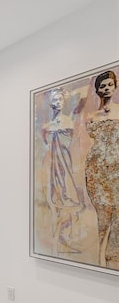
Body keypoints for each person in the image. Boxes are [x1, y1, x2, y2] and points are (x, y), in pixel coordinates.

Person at [40, 88, 84, 254]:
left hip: (66, 165)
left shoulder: (68, 121)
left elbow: (70, 145)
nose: (57, 102)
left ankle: (66, 238)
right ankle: (58, 240)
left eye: (60, 99)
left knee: (68, 199)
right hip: (52, 168)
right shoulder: (47, 126)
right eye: (54, 99)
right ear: (50, 103)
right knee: (54, 200)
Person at [84, 70, 119, 267]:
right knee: (103, 212)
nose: (106, 88)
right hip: (96, 168)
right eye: (102, 86)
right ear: (97, 89)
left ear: (115, 86)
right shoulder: (93, 115)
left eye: (109, 85)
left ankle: (111, 257)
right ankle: (100, 258)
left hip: (116, 168)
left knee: (117, 209)